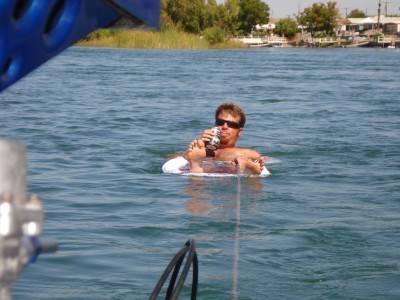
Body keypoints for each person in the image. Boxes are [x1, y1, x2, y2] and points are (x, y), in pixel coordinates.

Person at [162, 102, 269, 176]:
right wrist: (199, 146)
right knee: (195, 168)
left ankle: (248, 170)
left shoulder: (244, 152)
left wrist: (206, 154)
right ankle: (196, 165)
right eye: (220, 123)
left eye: (231, 124)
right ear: (215, 125)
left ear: (239, 131)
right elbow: (169, 159)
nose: (224, 127)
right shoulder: (199, 149)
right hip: (205, 170)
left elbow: (257, 156)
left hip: (229, 171)